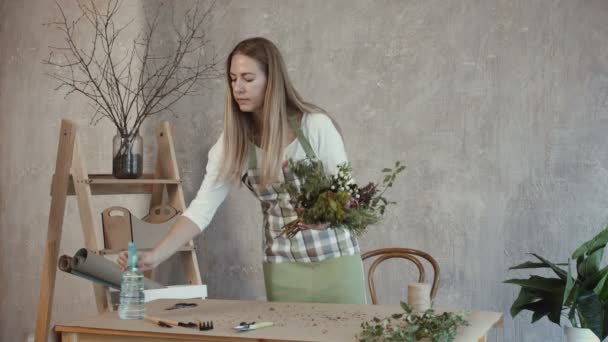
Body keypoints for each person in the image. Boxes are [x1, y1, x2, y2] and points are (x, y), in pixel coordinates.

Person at [117, 37, 366, 304]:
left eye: (248, 78)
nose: (238, 88)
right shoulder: (232, 143)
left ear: (272, 81)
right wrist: (155, 255)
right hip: (283, 268)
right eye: (233, 79)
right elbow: (201, 210)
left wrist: (324, 220)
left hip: (337, 262)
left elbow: (348, 196)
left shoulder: (316, 126)